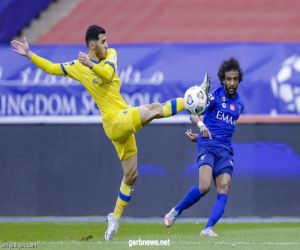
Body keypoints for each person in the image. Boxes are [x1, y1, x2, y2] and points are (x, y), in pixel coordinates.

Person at [11, 25, 187, 241]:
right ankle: (191, 101)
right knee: (153, 109)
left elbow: (107, 73)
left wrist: (91, 64)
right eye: (103, 41)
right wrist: (30, 54)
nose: (107, 44)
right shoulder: (78, 66)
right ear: (93, 44)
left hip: (123, 118)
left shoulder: (110, 55)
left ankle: (115, 217)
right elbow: (52, 68)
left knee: (131, 175)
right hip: (113, 122)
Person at [164, 57, 244, 237]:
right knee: (205, 186)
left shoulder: (239, 106)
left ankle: (208, 228)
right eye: (228, 79)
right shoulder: (213, 96)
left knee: (224, 187)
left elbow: (224, 129)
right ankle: (175, 211)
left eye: (235, 79)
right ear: (223, 79)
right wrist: (201, 127)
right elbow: (193, 112)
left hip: (225, 151)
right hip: (208, 147)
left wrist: (198, 137)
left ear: (239, 80)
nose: (231, 83)